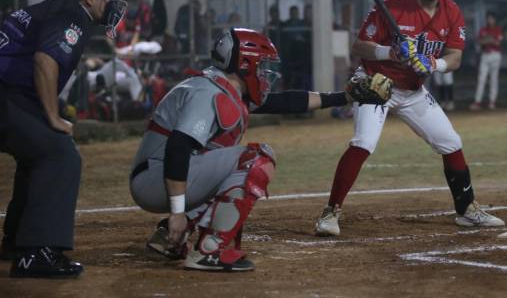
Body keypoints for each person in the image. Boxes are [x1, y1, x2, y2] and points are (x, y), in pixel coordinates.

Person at [128, 28, 385, 271]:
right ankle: (208, 250)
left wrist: (346, 96)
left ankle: (168, 236)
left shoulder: (221, 86)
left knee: (229, 169)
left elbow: (285, 102)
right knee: (255, 159)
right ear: (244, 64)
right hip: (157, 178)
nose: (265, 72)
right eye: (261, 65)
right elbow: (178, 147)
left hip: (161, 175)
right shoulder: (208, 92)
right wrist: (177, 212)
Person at [313, 0, 505, 237]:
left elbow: (455, 58)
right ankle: (331, 212)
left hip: (412, 90)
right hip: (376, 83)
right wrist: (389, 52)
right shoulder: (391, 6)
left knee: (450, 142)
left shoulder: (452, 11)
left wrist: (433, 63)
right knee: (364, 142)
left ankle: (466, 210)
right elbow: (360, 46)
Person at [0, 0, 127, 278]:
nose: (110, 4)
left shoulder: (57, 6)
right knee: (60, 155)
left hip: (10, 93)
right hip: (6, 93)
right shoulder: (72, 15)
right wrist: (53, 116)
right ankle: (37, 252)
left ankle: (18, 242)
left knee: (38, 152)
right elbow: (45, 61)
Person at [470, 12, 504, 111]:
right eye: (488, 19)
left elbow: (498, 43)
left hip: (496, 55)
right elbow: (479, 41)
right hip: (485, 55)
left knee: (494, 79)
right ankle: (477, 102)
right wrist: (490, 39)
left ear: (495, 20)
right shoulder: (483, 29)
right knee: (481, 79)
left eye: (491, 19)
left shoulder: (498, 29)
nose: (490, 20)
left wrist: (488, 40)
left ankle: (492, 102)